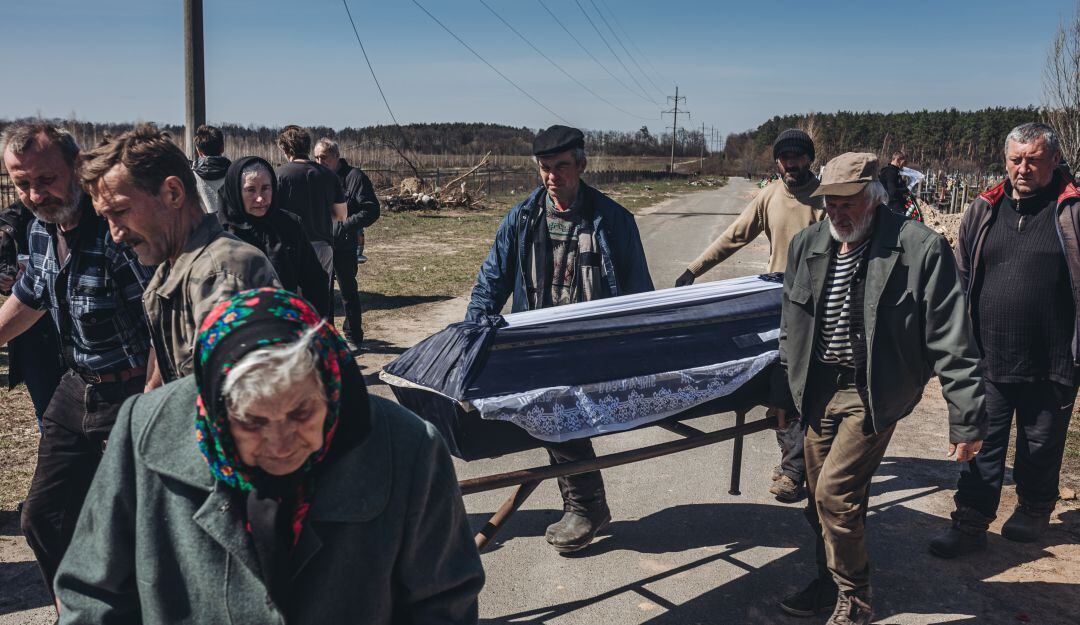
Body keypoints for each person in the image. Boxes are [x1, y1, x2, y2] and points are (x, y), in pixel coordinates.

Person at [54, 288, 485, 624]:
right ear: (216, 412)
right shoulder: (145, 430)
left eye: (301, 413)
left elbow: (443, 605)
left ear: (331, 390)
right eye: (252, 422)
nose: (280, 444)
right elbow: (93, 597)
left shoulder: (409, 448)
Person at [770, 152, 985, 624]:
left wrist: (965, 417)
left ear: (876, 197)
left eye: (849, 203)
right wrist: (782, 393)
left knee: (834, 496)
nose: (838, 214)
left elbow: (952, 336)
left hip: (873, 390)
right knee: (818, 499)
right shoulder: (808, 244)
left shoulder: (919, 248)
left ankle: (857, 596)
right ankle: (830, 581)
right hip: (818, 389)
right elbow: (792, 326)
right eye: (831, 204)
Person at [466, 125, 653, 553]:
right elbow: (491, 282)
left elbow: (640, 294)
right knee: (547, 417)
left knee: (557, 416)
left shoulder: (614, 221)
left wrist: (638, 353)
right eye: (545, 168)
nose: (552, 176)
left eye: (561, 167)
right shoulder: (522, 218)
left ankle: (585, 507)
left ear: (582, 165)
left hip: (591, 344)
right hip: (537, 343)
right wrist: (473, 336)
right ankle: (585, 506)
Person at [0, 122, 153, 600]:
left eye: (44, 179)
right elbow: (29, 299)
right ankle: (81, 609)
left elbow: (161, 326)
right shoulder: (43, 232)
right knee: (43, 518)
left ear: (75, 167)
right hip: (75, 388)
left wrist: (147, 410)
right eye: (21, 183)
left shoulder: (118, 231)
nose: (33, 194)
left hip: (130, 390)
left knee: (128, 525)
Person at [931, 122, 1080, 558]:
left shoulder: (1071, 211)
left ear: (1054, 160)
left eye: (1033, 159)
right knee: (980, 442)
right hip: (988, 355)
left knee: (1041, 443)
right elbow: (960, 277)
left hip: (1053, 358)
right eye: (1016, 159)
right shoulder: (984, 208)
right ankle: (970, 522)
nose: (1023, 168)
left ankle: (1034, 508)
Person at [675, 128, 824, 503]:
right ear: (777, 162)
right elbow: (733, 236)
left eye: (798, 157)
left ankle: (806, 462)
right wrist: (694, 268)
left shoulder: (826, 200)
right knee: (781, 386)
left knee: (819, 388)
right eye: (785, 158)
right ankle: (793, 467)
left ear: (810, 159)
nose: (791, 164)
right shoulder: (770, 195)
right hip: (780, 304)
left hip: (824, 306)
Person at [81, 124, 280, 386]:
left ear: (173, 193)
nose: (115, 234)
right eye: (106, 217)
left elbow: (239, 406)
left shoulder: (220, 274)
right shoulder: (172, 269)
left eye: (121, 211)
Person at [218, 156, 331, 317]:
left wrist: (312, 324)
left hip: (282, 326)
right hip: (233, 328)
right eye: (251, 189)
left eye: (265, 188)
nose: (260, 198)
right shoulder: (218, 231)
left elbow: (315, 280)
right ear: (235, 190)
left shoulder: (289, 225)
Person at [0, 200, 65, 428]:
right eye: (22, 183)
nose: (34, 193)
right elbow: (30, 294)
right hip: (34, 338)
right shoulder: (25, 224)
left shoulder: (104, 224)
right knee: (48, 414)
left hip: (85, 350)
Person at [313, 137, 381, 347]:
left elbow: (371, 209)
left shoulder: (355, 178)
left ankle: (353, 335)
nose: (318, 162)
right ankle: (329, 337)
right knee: (324, 293)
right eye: (315, 157)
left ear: (336, 157)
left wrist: (345, 225)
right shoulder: (316, 178)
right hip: (322, 245)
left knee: (348, 291)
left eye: (323, 157)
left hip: (344, 244)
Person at [274, 126, 347, 285]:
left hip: (290, 246)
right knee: (319, 299)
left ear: (285, 149)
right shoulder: (329, 175)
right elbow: (341, 215)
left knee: (292, 299)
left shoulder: (279, 175)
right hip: (322, 245)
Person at [191, 124, 230, 214]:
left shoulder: (192, 177)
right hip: (231, 227)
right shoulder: (235, 173)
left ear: (199, 152)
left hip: (205, 226)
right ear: (222, 148)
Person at [878, 151, 911, 215]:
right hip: (892, 208)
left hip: (895, 206)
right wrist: (905, 189)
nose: (904, 165)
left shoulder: (895, 172)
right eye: (903, 162)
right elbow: (892, 192)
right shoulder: (890, 172)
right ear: (898, 160)